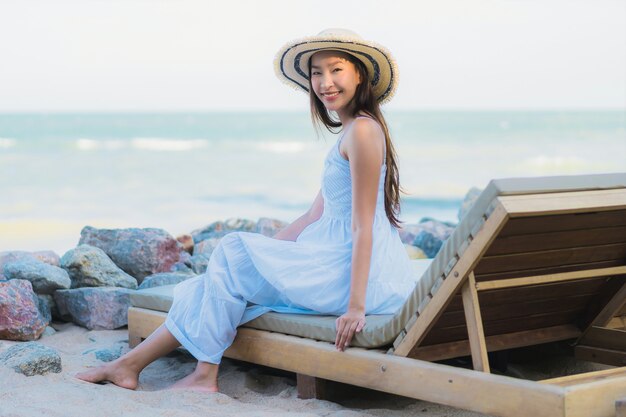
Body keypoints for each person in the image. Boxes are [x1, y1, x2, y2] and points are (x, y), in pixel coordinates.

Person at [76, 28, 418, 393]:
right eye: (317, 73)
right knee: (219, 277)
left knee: (231, 252)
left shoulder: (363, 131)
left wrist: (355, 308)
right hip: (331, 259)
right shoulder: (351, 132)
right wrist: (264, 253)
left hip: (347, 274)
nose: (325, 82)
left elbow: (363, 226)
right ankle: (128, 366)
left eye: (336, 70)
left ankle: (204, 376)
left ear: (360, 75)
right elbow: (313, 216)